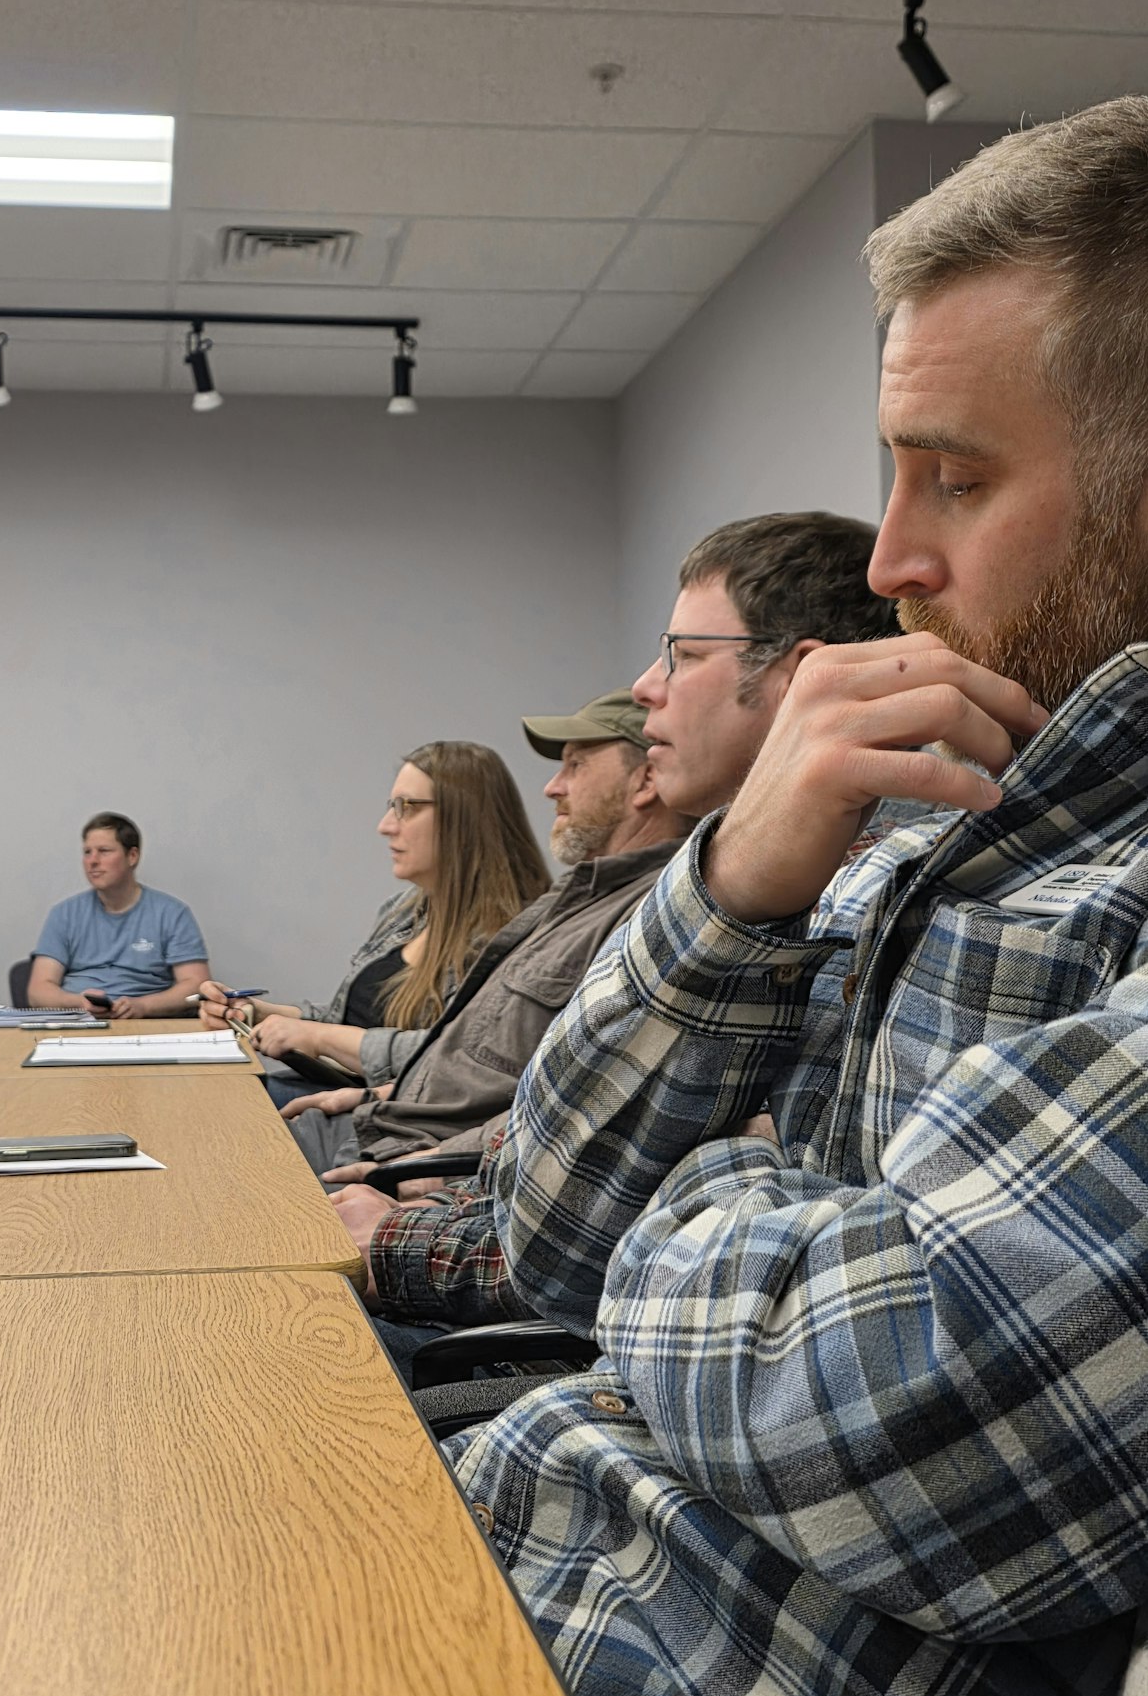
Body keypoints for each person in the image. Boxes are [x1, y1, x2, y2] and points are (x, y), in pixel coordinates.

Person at [447, 97, 1148, 1696]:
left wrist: (710, 1186)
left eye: (959, 480)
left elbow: (919, 1430)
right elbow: (544, 1218)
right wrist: (743, 887)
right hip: (560, 1634)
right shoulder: (936, 817)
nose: (893, 560)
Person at [330, 511, 899, 1347]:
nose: (647, 687)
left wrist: (400, 1224)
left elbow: (584, 1231)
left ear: (798, 678)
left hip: (511, 1309)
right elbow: (551, 1148)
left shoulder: (836, 906)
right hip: (442, 1215)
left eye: (685, 655)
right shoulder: (695, 890)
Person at [286, 691, 699, 1191]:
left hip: (407, 1161)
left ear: (646, 780)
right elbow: (492, 1063)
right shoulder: (574, 898)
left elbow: (586, 1102)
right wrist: (383, 1093)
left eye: (576, 765)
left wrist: (431, 1167)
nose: (551, 787)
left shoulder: (648, 916)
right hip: (378, 1122)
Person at [198, 742, 549, 1101]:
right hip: (330, 1092)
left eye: (406, 808)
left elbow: (458, 1059)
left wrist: (318, 1037)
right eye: (390, 808)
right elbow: (348, 1020)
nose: (385, 826)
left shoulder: (514, 937)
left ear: (465, 819)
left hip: (389, 1120)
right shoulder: (402, 911)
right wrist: (257, 1013)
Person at [28, 811, 210, 1017]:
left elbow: (196, 983)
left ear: (132, 856)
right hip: (79, 1023)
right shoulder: (64, 914)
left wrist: (143, 1006)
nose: (92, 861)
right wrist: (78, 1003)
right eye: (87, 852)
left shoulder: (172, 913)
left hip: (149, 1025)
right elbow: (38, 990)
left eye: (104, 851)